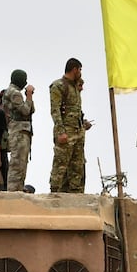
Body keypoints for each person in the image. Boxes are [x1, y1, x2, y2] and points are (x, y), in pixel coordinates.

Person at [49, 58, 86, 193]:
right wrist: (61, 132)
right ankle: (55, 193)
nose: (81, 73)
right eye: (80, 70)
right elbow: (55, 110)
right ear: (75, 69)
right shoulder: (58, 86)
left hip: (78, 131)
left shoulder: (74, 87)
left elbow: (74, 109)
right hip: (66, 131)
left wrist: (83, 124)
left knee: (77, 165)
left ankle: (75, 193)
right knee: (60, 164)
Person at [4, 70, 35, 192]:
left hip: (21, 131)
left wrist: (28, 97)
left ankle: (18, 190)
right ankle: (13, 192)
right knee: (17, 164)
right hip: (18, 132)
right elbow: (26, 111)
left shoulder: (14, 92)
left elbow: (31, 109)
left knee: (21, 163)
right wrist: (29, 96)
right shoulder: (15, 93)